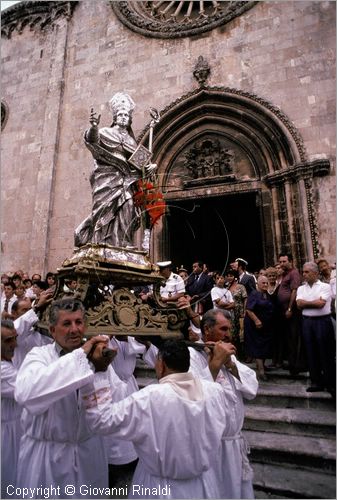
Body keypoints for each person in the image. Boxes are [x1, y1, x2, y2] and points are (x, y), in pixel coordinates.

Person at [81, 339, 232, 499]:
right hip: (203, 486)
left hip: (158, 489)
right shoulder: (215, 391)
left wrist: (100, 373)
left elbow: (101, 421)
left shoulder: (151, 397)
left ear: (161, 365)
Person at [14, 297, 125, 499]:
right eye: (66, 323)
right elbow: (27, 394)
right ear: (52, 330)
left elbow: (115, 403)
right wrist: (80, 356)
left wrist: (101, 371)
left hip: (88, 454)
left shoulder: (96, 357)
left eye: (78, 322)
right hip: (47, 458)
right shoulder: (39, 356)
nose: (74, 330)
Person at [188, 309, 258, 499]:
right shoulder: (191, 356)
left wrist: (231, 365)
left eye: (229, 329)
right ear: (207, 329)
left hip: (233, 444)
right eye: (223, 329)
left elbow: (252, 389)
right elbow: (193, 397)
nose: (228, 334)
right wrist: (215, 363)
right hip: (210, 447)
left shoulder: (228, 354)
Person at [74, 92, 155, 249]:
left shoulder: (131, 141)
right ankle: (101, 241)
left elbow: (141, 164)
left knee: (129, 206)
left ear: (129, 119)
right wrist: (94, 127)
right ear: (115, 118)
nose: (123, 117)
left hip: (126, 181)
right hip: (107, 180)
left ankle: (123, 242)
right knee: (104, 210)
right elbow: (92, 140)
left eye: (126, 115)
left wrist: (151, 167)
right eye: (120, 114)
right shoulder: (105, 132)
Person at [296, 262, 335, 397]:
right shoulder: (301, 288)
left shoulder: (325, 286)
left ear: (315, 273)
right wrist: (312, 303)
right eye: (303, 272)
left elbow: (321, 304)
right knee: (311, 351)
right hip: (307, 322)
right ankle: (316, 381)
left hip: (322, 321)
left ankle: (331, 382)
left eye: (307, 272)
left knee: (326, 351)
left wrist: (306, 303)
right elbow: (299, 305)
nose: (304, 274)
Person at [1, 319, 22, 499]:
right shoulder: (2, 371)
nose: (15, 344)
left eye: (14, 338)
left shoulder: (6, 362)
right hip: (6, 435)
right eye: (8, 340)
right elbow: (29, 389)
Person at [277, 252, 306, 376]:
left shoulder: (294, 273)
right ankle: (292, 362)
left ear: (291, 261)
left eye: (284, 261)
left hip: (292, 312)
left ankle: (296, 366)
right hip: (284, 311)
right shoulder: (284, 274)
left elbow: (294, 291)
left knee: (294, 337)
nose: (282, 263)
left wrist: (289, 309)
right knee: (289, 338)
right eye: (280, 261)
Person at [244, 275, 274, 380]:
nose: (265, 285)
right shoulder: (254, 294)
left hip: (265, 326)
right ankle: (261, 371)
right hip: (254, 325)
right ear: (258, 284)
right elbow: (249, 309)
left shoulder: (266, 294)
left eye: (267, 283)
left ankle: (262, 365)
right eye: (263, 283)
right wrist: (256, 320)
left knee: (265, 346)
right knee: (258, 346)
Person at [225, 268, 247, 359]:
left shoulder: (241, 287)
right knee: (232, 334)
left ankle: (244, 355)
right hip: (230, 313)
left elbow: (245, 298)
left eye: (231, 276)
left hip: (240, 312)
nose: (230, 278)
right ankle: (234, 355)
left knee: (242, 334)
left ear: (235, 277)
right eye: (228, 276)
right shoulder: (225, 288)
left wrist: (244, 311)